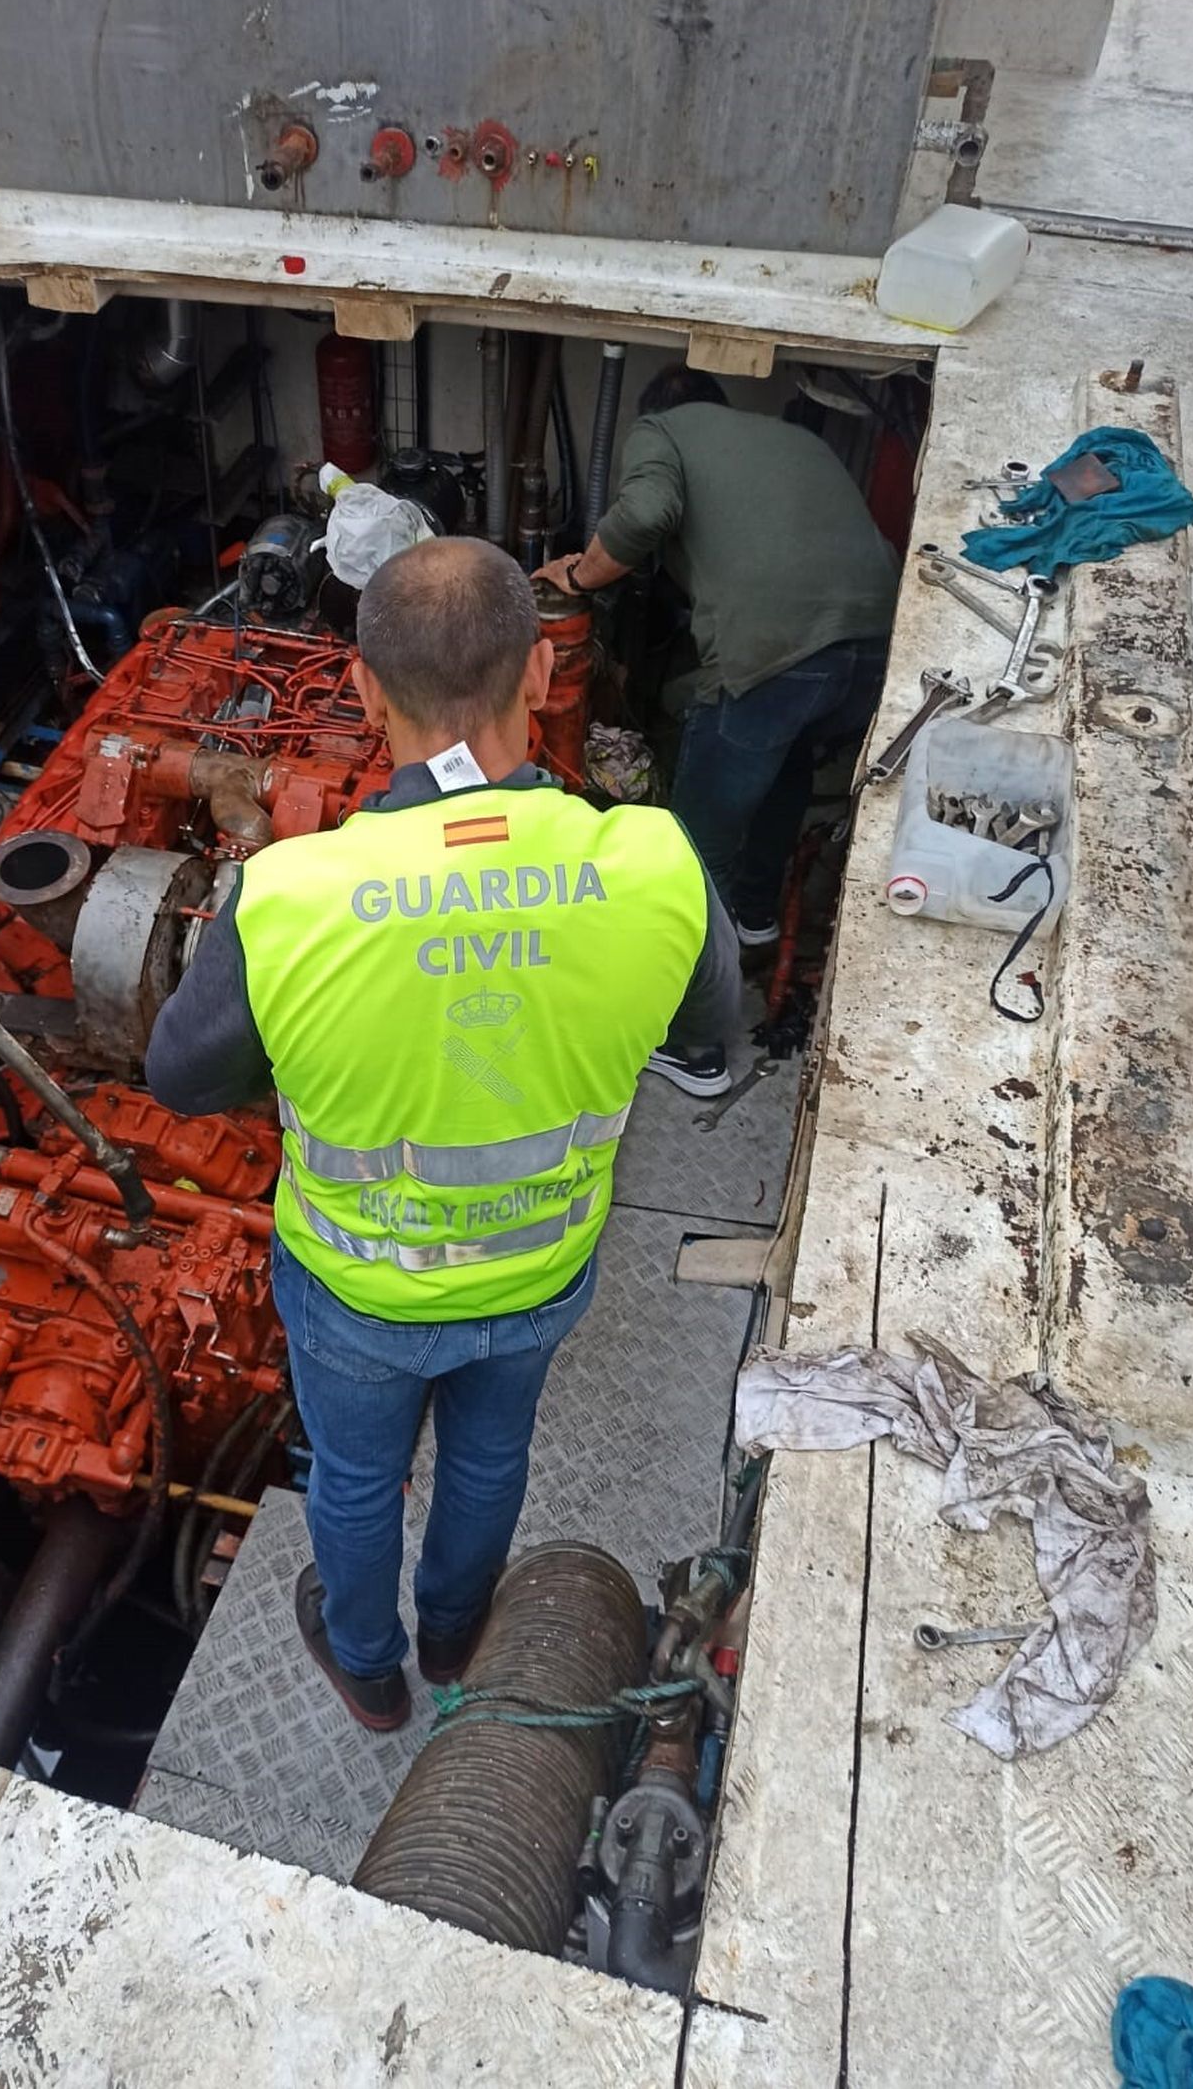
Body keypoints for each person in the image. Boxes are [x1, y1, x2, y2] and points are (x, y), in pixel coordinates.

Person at [145, 537, 739, 1732]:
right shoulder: (654, 864)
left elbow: (181, 1078)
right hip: (539, 1268)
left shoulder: (289, 896)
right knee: (486, 1458)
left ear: (364, 691)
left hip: (357, 1288)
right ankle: (456, 1627)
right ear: (540, 674)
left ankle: (369, 1666)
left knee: (357, 1478)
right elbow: (709, 1039)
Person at [536, 366, 898, 1098]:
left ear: (660, 412)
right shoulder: (792, 439)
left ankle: (692, 1046)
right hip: (874, 650)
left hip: (776, 653)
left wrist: (578, 577)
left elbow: (644, 513)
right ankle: (756, 921)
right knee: (786, 765)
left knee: (689, 853)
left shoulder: (663, 430)